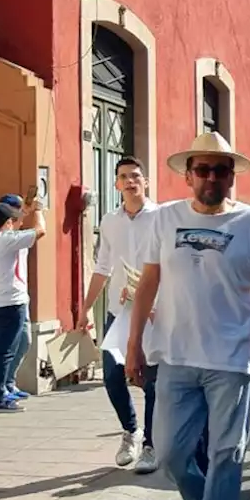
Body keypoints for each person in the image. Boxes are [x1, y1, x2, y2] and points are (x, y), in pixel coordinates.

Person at [125, 132, 250, 500]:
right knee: (172, 455)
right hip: (175, 358)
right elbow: (148, 284)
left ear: (231, 176)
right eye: (203, 170)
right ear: (188, 176)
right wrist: (133, 343)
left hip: (231, 360)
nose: (211, 177)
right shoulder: (165, 219)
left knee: (226, 455)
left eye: (220, 170)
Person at [77, 156, 160, 471]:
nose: (130, 181)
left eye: (136, 176)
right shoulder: (109, 221)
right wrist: (85, 309)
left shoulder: (161, 217)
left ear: (145, 182)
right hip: (119, 308)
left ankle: (151, 445)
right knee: (112, 375)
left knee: (151, 379)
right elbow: (102, 267)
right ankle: (131, 430)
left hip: (154, 310)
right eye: (124, 176)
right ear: (116, 184)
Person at [0, 195, 45, 413]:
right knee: (4, 353)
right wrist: (39, 210)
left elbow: (17, 230)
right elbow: (40, 231)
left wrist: (25, 211)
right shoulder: (6, 241)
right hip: (10, 305)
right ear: (6, 224)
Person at [0, 193, 35, 400]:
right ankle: (1, 386)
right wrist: (36, 211)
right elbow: (40, 231)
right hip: (5, 299)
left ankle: (9, 382)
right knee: (6, 346)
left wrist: (29, 208)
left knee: (24, 342)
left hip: (21, 297)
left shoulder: (19, 233)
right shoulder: (4, 237)